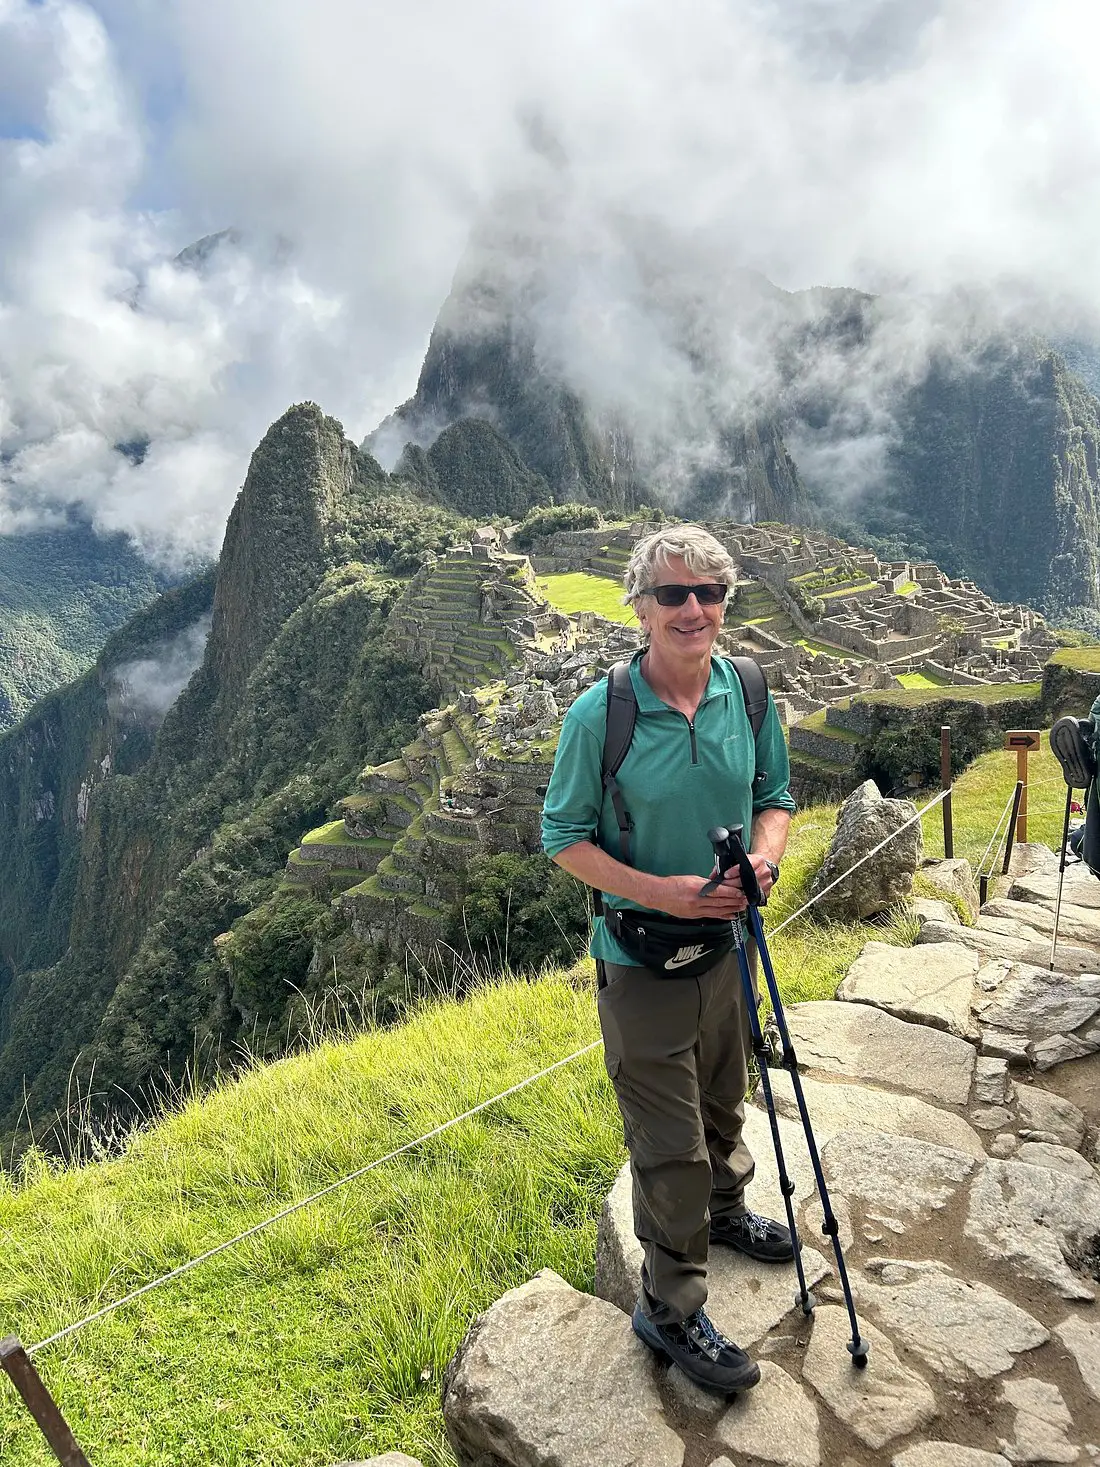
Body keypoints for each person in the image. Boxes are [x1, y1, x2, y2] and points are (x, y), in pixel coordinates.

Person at [541, 524, 796, 1395]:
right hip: (640, 959)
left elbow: (776, 799)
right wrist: (666, 892)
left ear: (725, 603)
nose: (694, 609)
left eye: (709, 593)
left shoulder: (751, 692)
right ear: (641, 608)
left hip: (726, 949)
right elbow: (562, 838)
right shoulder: (600, 715)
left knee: (727, 1098)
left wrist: (765, 860)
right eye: (674, 595)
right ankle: (672, 1302)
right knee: (670, 1144)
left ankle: (725, 1214)